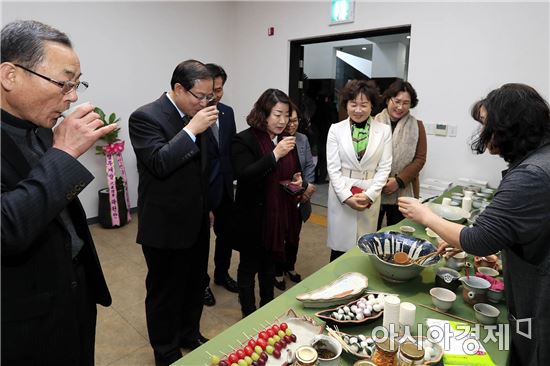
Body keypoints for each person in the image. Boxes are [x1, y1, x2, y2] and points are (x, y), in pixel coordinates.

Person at [398, 83, 550, 366]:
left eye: (485, 125)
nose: (483, 134)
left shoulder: (531, 174)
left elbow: (478, 238)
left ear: (509, 125)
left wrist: (425, 215)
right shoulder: (540, 161)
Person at [1, 20, 116, 365]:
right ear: (10, 75)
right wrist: (64, 154)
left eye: (77, 84)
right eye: (64, 83)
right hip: (23, 317)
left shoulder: (37, 128)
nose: (73, 96)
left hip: (73, 292)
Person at [129, 59, 218, 366]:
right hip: (164, 225)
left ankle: (188, 334)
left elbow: (203, 169)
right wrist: (192, 129)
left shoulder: (197, 115)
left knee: (195, 285)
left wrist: (207, 208)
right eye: (200, 96)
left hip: (196, 220)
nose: (205, 102)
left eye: (210, 97)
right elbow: (159, 163)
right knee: (165, 292)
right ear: (179, 88)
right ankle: (165, 350)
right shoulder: (145, 117)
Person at [231, 88, 302, 316]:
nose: (282, 121)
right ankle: (248, 313)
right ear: (264, 113)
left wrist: (297, 179)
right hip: (252, 216)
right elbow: (244, 174)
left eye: (286, 116)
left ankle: (266, 309)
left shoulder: (285, 140)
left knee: (269, 267)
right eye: (277, 114)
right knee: (248, 267)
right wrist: (274, 155)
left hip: (278, 215)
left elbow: (294, 170)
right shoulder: (244, 139)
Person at [326, 80, 392, 261]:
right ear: (346, 104)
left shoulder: (384, 131)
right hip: (342, 192)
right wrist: (346, 197)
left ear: (372, 105)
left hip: (368, 192)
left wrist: (370, 194)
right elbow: (333, 167)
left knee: (364, 249)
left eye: (364, 105)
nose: (358, 109)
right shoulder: (335, 130)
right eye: (353, 104)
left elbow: (385, 167)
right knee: (339, 251)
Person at [203, 63, 238, 307]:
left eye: (220, 88)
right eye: (212, 89)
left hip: (226, 185)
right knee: (200, 241)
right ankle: (201, 283)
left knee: (226, 235)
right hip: (203, 189)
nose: (216, 94)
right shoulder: (193, 115)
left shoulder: (227, 112)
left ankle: (221, 273)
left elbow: (230, 150)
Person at [274, 102, 316, 290]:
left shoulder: (302, 139)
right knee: (279, 235)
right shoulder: (275, 140)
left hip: (299, 196)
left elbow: (308, 166)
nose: (291, 125)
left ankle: (290, 267)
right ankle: (277, 270)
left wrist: (306, 187)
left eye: (295, 120)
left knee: (294, 236)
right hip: (281, 197)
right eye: (288, 121)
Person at [375, 79, 427, 229]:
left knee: (399, 234)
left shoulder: (417, 126)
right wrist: (381, 181)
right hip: (375, 189)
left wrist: (398, 181)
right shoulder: (373, 123)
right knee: (371, 233)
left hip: (404, 191)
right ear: (387, 99)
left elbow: (420, 159)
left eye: (406, 103)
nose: (400, 107)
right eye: (397, 101)